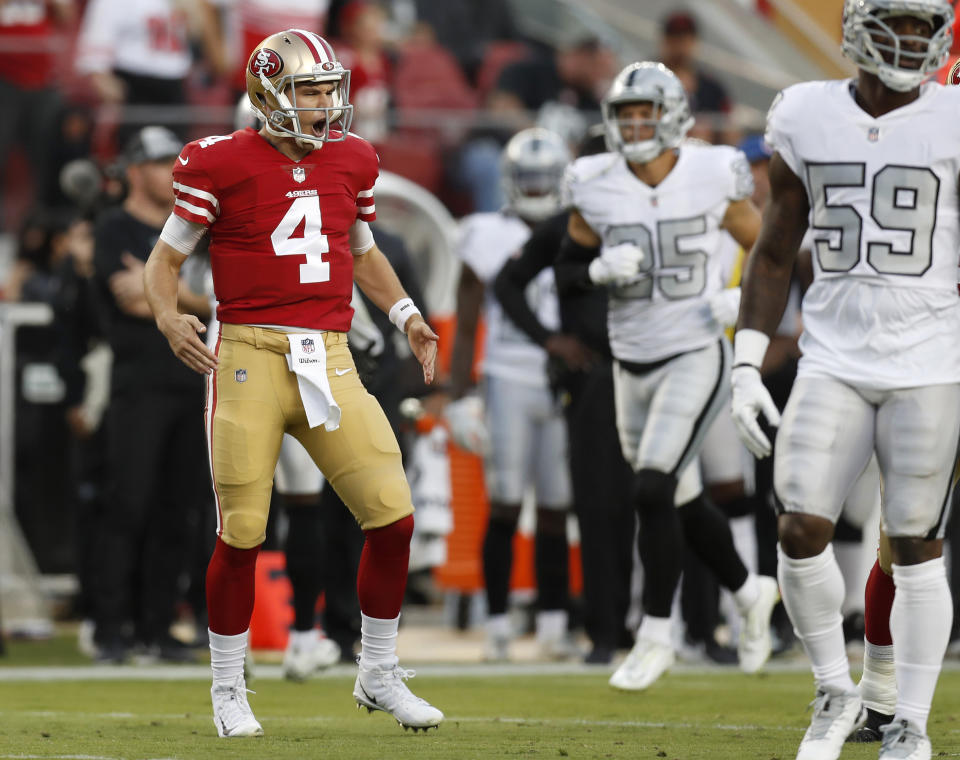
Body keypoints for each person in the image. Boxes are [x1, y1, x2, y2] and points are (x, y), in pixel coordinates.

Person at [142, 29, 442, 737]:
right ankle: (227, 686)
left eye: (328, 90)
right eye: (310, 90)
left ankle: (377, 670)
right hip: (245, 353)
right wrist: (165, 315)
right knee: (242, 531)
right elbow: (164, 261)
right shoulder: (218, 162)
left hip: (330, 353)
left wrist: (404, 313)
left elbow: (360, 250)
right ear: (269, 92)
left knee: (392, 514)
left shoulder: (354, 158)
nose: (324, 104)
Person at [730, 2, 960, 758]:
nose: (914, 41)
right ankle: (834, 690)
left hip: (929, 356)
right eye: (900, 24)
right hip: (833, 352)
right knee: (798, 525)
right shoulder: (804, 112)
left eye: (926, 28)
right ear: (861, 26)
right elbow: (773, 247)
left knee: (917, 541)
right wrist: (745, 359)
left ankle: (910, 725)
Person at [554, 61, 780, 691]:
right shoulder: (594, 182)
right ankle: (748, 588)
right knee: (677, 499)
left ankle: (657, 635)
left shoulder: (712, 171)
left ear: (673, 115)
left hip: (695, 351)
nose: (633, 124)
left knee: (652, 489)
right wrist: (596, 272)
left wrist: (742, 301)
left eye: (644, 112)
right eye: (624, 114)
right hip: (631, 361)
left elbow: (768, 250)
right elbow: (565, 269)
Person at [493, 137, 635, 665]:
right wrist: (551, 339)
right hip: (596, 375)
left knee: (654, 500)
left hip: (657, 369)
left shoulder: (657, 215)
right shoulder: (569, 223)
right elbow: (507, 284)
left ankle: (657, 623)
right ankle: (604, 629)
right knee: (597, 507)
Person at [449, 127, 582, 662]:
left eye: (542, 180)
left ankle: (553, 627)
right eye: (526, 179)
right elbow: (465, 320)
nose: (534, 188)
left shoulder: (580, 227)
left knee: (555, 507)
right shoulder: (484, 231)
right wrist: (459, 393)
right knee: (504, 505)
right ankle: (498, 624)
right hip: (504, 374)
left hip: (561, 380)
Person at [91, 126, 212, 663]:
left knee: (177, 510)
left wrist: (166, 294)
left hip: (192, 379)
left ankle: (158, 629)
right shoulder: (114, 227)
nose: (171, 171)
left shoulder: (194, 229)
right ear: (135, 171)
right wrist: (189, 300)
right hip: (138, 383)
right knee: (127, 504)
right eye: (161, 162)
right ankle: (111, 629)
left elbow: (164, 296)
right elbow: (123, 300)